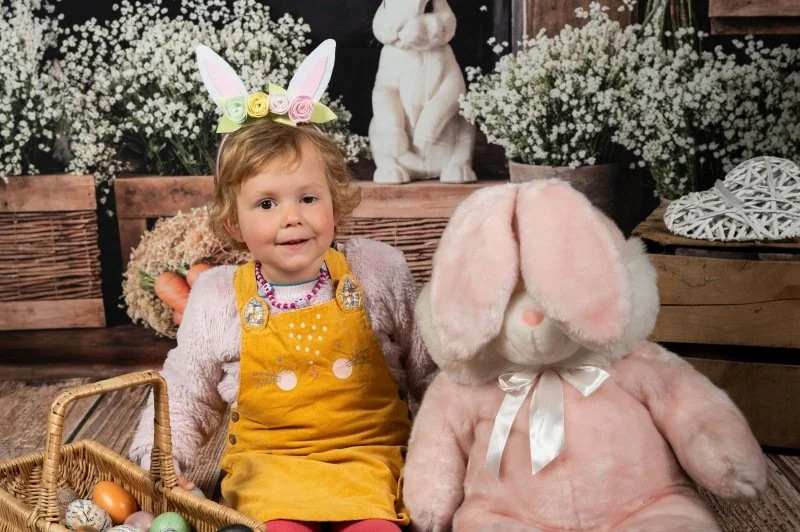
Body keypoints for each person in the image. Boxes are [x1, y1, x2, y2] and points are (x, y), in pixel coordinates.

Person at [128, 40, 437, 532]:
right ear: (233, 221)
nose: (292, 217)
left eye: (308, 197)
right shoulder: (217, 297)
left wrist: (466, 441)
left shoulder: (379, 271)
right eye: (267, 204)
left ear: (335, 201)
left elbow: (431, 369)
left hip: (371, 465)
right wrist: (161, 463)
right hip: (269, 471)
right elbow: (186, 392)